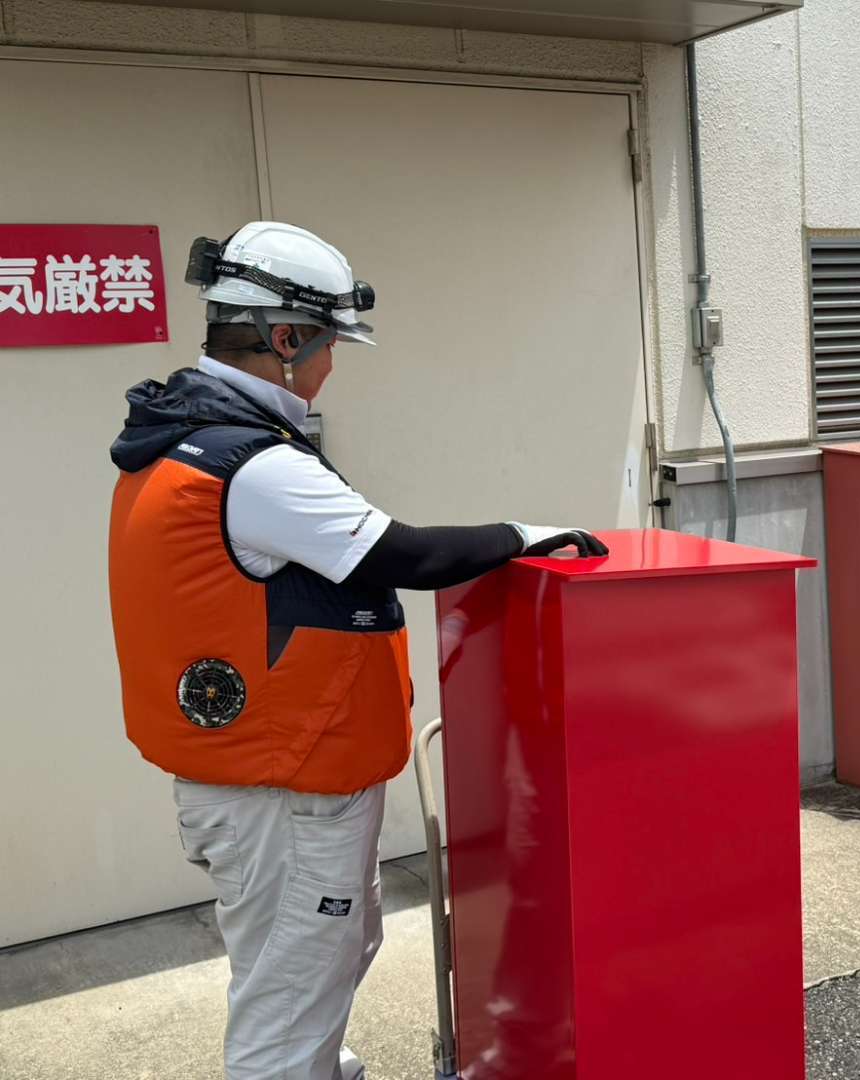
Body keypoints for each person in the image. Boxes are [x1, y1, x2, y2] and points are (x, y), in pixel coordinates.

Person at [106, 221, 607, 1080]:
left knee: (312, 962)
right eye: (329, 343)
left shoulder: (181, 441)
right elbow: (400, 554)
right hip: (283, 785)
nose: (332, 365)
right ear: (285, 339)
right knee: (289, 999)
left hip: (267, 775)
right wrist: (527, 534)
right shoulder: (251, 466)